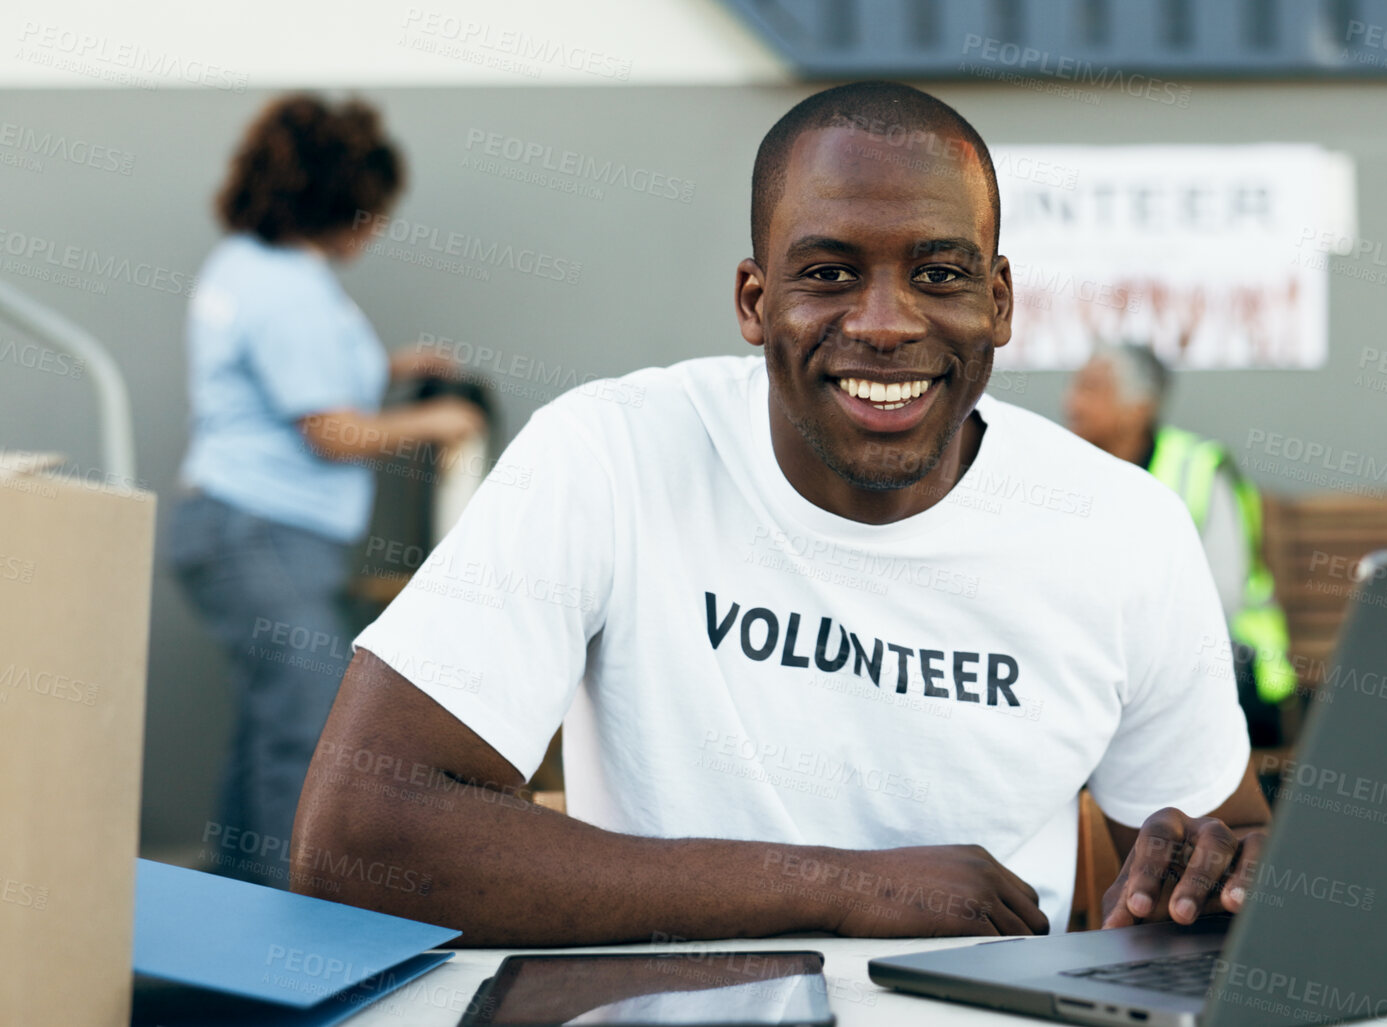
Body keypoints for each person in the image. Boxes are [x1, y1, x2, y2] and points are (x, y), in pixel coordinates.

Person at [292, 81, 1268, 944]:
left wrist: (1218, 878)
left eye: (939, 273)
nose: (885, 323)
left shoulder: (1123, 525)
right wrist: (838, 885)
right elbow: (358, 833)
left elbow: (1224, 842)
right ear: (754, 301)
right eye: (830, 272)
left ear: (999, 302)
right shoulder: (609, 454)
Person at [168, 94, 484, 887]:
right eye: (371, 213)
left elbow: (288, 382)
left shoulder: (248, 265)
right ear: (340, 206)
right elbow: (330, 430)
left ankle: (236, 927)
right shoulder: (290, 291)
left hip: (231, 527)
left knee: (266, 729)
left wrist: (391, 367)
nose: (375, 229)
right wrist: (438, 421)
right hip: (261, 534)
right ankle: (295, 938)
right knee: (305, 734)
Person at [1064, 343, 1295, 748]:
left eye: (1092, 390)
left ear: (1140, 407)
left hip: (1224, 660)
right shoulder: (1069, 469)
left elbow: (1224, 596)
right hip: (1110, 661)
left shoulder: (1199, 467)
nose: (1073, 403)